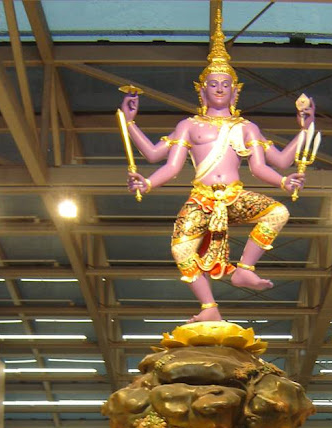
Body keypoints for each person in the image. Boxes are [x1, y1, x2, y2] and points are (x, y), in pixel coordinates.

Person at [119, 10, 314, 323]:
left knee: (278, 212)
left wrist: (302, 135)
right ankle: (209, 307)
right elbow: (161, 159)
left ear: (236, 91)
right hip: (201, 198)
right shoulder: (189, 125)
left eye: (226, 84)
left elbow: (274, 163)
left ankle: (245, 269)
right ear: (202, 90)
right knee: (181, 250)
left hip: (234, 196)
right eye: (213, 84)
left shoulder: (246, 127)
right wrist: (131, 128)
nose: (220, 89)